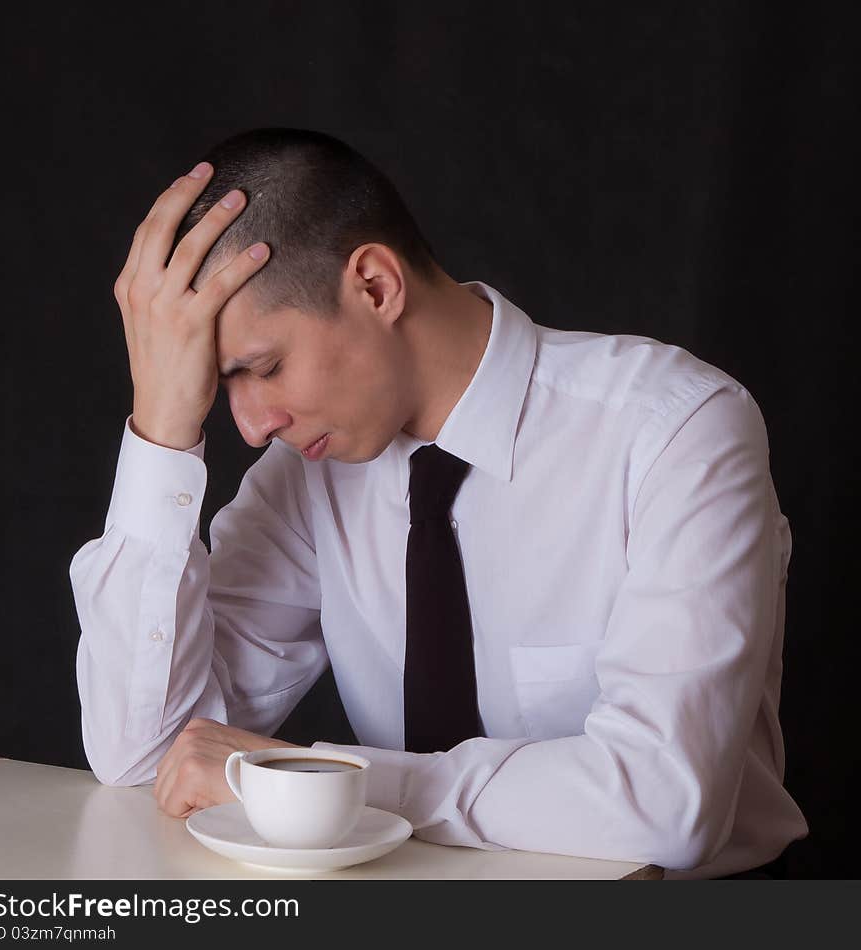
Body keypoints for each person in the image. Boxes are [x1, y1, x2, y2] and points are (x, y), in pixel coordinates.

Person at [69, 128, 808, 880]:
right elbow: (148, 757)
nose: (254, 427)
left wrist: (335, 780)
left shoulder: (674, 432)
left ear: (376, 286)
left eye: (262, 367)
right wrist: (162, 431)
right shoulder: (305, 476)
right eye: (222, 386)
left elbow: (665, 807)